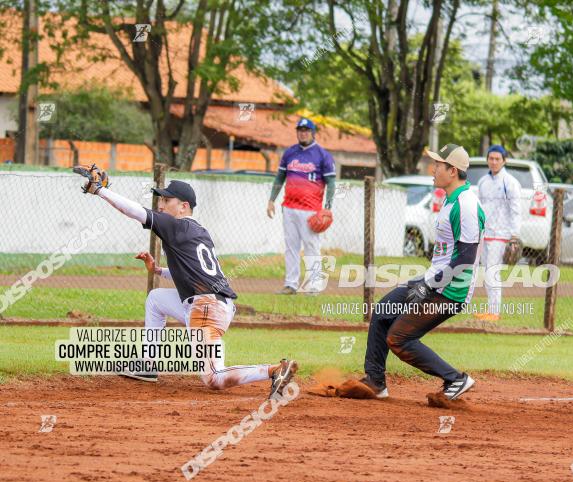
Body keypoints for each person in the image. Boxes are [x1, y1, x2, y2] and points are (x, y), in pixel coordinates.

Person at [72, 164, 297, 397]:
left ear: (183, 206)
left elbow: (134, 211)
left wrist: (99, 190)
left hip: (206, 308)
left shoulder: (175, 224)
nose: (161, 205)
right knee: (156, 298)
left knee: (213, 378)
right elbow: (195, 272)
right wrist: (159, 271)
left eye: (167, 200)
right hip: (213, 304)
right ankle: (147, 364)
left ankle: (275, 370)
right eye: (161, 200)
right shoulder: (199, 230)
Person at [338, 144, 486, 400]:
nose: (433, 168)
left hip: (451, 290)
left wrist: (428, 286)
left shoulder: (467, 205)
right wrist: (427, 281)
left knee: (399, 338)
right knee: (383, 313)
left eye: (438, 164)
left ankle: (456, 379)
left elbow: (466, 258)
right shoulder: (451, 201)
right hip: (435, 281)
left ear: (452, 171)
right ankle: (375, 381)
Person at [267, 117, 337, 295]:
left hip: (311, 210)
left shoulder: (323, 155)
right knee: (291, 247)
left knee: (311, 246)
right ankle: (291, 284)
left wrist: (327, 207)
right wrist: (271, 200)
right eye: (300, 130)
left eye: (306, 130)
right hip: (289, 207)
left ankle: (314, 285)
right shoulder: (290, 153)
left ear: (313, 133)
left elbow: (331, 183)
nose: (303, 132)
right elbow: (279, 178)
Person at [475, 144, 521, 321]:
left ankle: (494, 312)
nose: (493, 162)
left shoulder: (509, 182)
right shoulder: (483, 182)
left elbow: (516, 210)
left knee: (493, 272)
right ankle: (490, 310)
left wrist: (514, 235)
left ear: (504, 161)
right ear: (487, 159)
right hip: (485, 234)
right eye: (491, 158)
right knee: (487, 272)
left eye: (497, 159)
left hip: (501, 235)